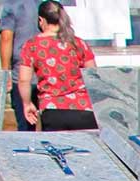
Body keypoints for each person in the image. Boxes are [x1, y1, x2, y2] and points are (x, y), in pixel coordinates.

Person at [18, 0, 95, 131]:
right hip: (84, 109)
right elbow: (93, 75)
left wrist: (27, 104)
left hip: (52, 110)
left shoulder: (31, 45)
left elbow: (24, 79)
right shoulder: (79, 43)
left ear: (41, 20)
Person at [0, 0, 39, 130]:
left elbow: (6, 37)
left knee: (25, 125)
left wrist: (6, 73)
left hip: (22, 72)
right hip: (47, 71)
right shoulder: (46, 4)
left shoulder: (11, 5)